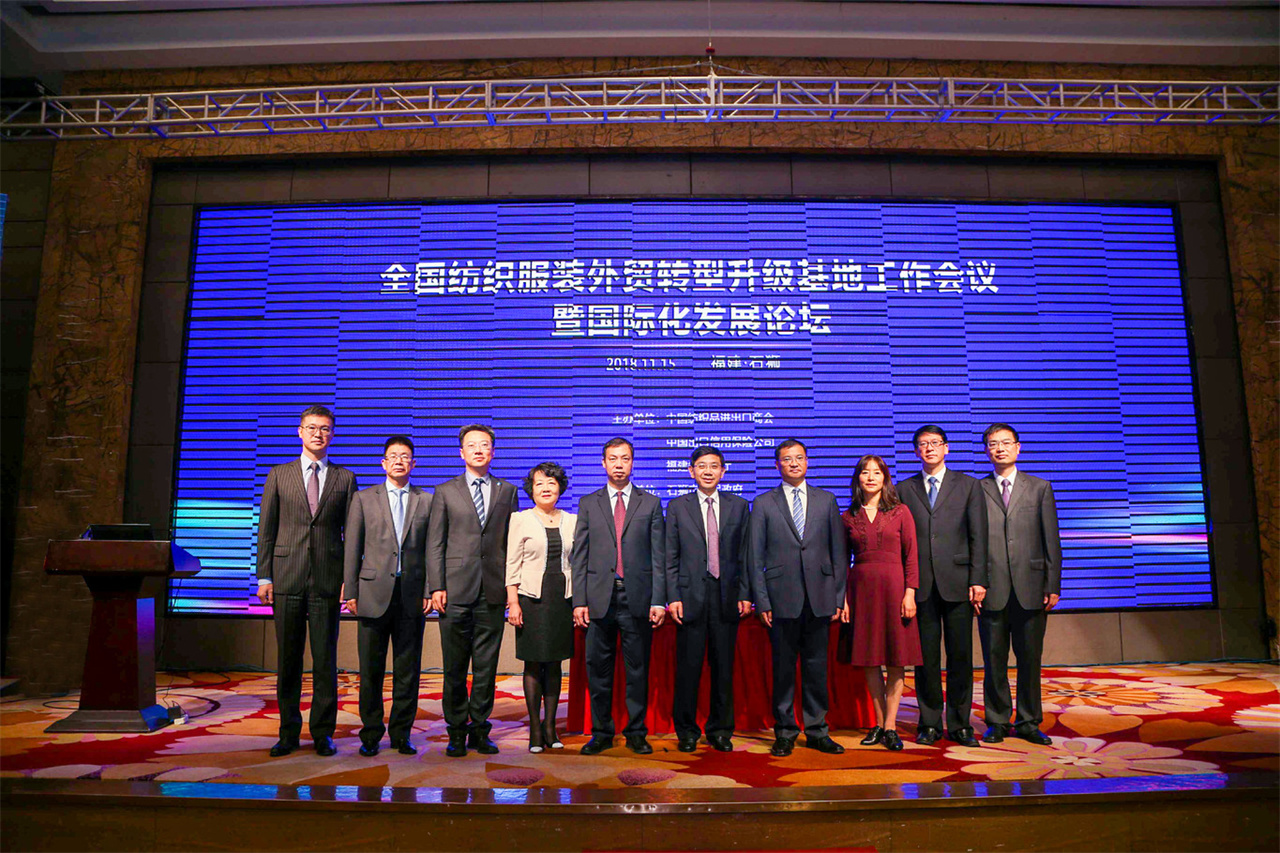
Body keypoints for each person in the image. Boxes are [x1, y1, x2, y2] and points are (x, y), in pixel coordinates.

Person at [256, 404, 358, 757]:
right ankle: (287, 732)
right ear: (299, 432)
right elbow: (266, 529)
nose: (318, 434)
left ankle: (322, 733)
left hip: (328, 580)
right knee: (289, 660)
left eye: (325, 428)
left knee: (325, 660)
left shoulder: (345, 478)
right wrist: (264, 576)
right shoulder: (278, 474)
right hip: (286, 577)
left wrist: (349, 580)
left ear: (333, 434)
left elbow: (352, 535)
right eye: (312, 427)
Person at [747, 439, 847, 757]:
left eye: (799, 458)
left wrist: (838, 597)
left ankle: (817, 730)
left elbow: (839, 553)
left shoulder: (826, 500)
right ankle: (785, 731)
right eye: (787, 459)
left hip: (820, 598)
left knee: (817, 668)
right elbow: (754, 558)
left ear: (807, 462)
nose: (794, 463)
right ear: (777, 465)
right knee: (784, 670)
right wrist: (762, 601)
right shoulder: (763, 502)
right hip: (780, 600)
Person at [426, 424, 519, 757]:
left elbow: (512, 544)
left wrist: (511, 590)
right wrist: (436, 585)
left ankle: (480, 728)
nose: (479, 450)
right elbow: (435, 543)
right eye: (472, 445)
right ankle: (455, 730)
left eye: (485, 445)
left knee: (486, 667)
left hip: (492, 590)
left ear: (493, 451)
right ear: (461, 452)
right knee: (454, 666)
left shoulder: (507, 491)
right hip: (454, 590)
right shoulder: (445, 491)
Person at [571, 437, 666, 755]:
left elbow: (659, 556)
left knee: (637, 670)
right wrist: (579, 600)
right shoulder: (589, 503)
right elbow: (580, 556)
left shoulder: (650, 503)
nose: (619, 464)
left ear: (632, 462)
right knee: (598, 670)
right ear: (603, 463)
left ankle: (636, 732)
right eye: (613, 459)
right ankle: (601, 733)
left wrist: (658, 599)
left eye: (625, 458)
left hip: (637, 598)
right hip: (599, 598)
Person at [342, 436, 433, 757]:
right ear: (383, 463)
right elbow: (352, 547)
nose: (398, 461)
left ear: (413, 464)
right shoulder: (364, 499)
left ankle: (401, 734)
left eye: (405, 456)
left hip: (412, 594)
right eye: (393, 456)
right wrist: (350, 588)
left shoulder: (427, 500)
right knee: (371, 671)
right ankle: (370, 734)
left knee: (408, 671)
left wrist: (429, 589)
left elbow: (432, 550)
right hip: (371, 593)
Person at [897, 426, 987, 748]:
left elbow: (979, 535)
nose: (930, 448)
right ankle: (930, 722)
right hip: (920, 585)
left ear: (946, 448)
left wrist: (978, 578)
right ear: (916, 451)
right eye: (923, 444)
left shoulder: (968, 485)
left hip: (959, 583)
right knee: (926, 659)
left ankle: (961, 724)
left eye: (935, 443)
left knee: (960, 656)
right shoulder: (903, 489)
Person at [978, 423, 1062, 746]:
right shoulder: (978, 489)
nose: (999, 448)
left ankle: (1028, 720)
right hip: (992, 587)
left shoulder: (1039, 488)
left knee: (1030, 659)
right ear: (986, 450)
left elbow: (1051, 540)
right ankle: (997, 720)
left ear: (1018, 447)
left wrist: (1052, 583)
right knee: (993, 660)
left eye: (1005, 442)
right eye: (992, 444)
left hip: (1032, 586)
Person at [664, 445, 752, 753]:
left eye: (714, 466)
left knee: (723, 668)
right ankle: (686, 731)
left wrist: (746, 593)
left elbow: (746, 555)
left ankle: (720, 730)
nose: (708, 471)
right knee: (688, 668)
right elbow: (670, 556)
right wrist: (673, 596)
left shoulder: (739, 506)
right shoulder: (678, 506)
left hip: (727, 596)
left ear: (723, 471)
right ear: (691, 471)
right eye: (702, 466)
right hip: (689, 597)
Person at [839, 455, 922, 752]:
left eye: (877, 472)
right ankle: (877, 723)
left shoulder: (900, 511)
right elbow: (841, 562)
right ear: (858, 478)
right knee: (869, 659)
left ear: (885, 478)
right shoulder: (847, 516)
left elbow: (911, 556)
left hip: (895, 590)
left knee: (896, 659)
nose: (871, 477)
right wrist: (843, 600)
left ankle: (891, 726)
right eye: (865, 472)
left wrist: (910, 593)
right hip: (861, 592)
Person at [505, 462, 577, 753]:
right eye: (539, 484)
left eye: (551, 483)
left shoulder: (572, 520)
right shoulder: (520, 519)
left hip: (562, 598)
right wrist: (513, 602)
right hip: (531, 598)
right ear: (531, 489)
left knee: (556, 662)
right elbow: (512, 563)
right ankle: (535, 728)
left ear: (560, 488)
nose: (546, 488)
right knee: (533, 663)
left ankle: (550, 726)